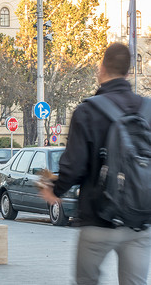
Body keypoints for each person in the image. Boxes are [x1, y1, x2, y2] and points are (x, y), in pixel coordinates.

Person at [38, 43, 151, 284]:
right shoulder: (148, 110)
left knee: (86, 280)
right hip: (141, 220)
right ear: (129, 72)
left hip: (98, 218)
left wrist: (54, 190)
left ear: (102, 68)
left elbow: (74, 166)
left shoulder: (87, 111)